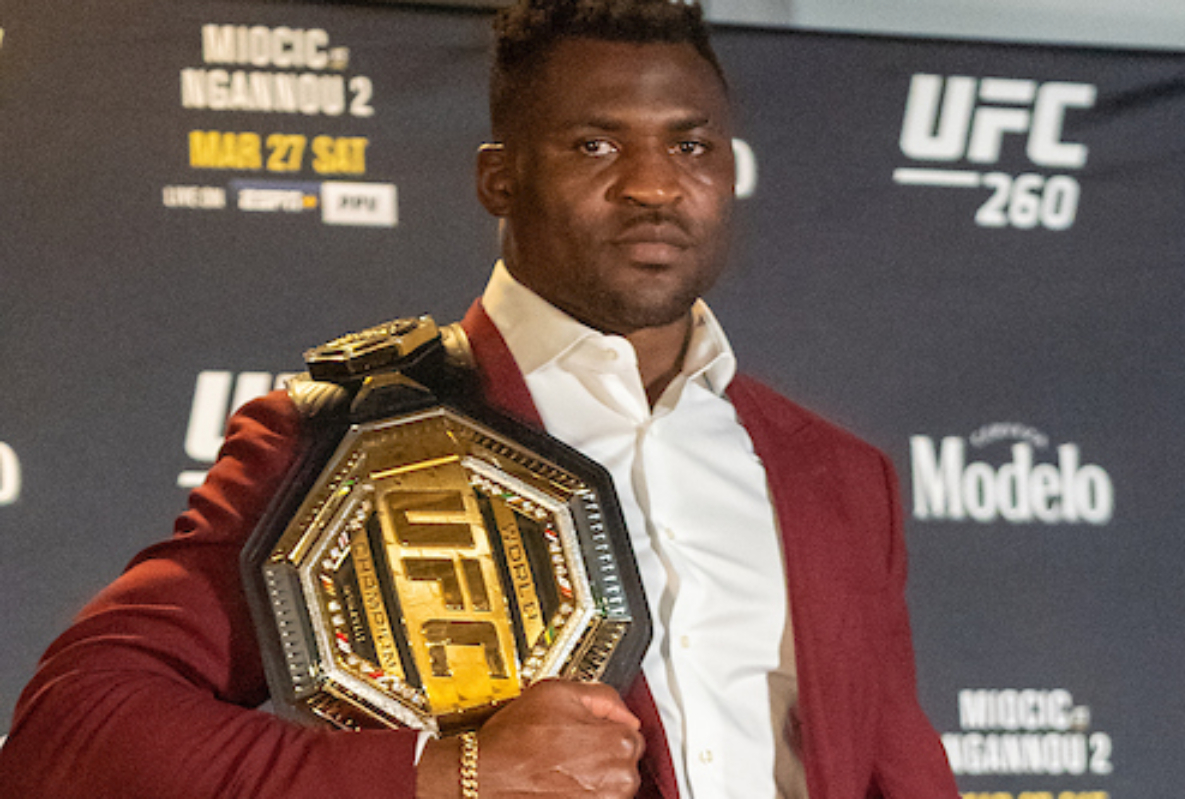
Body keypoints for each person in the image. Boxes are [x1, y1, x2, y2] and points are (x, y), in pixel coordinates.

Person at [0, 1, 958, 797]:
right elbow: (75, 726)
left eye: (691, 144)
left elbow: (896, 770)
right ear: (500, 178)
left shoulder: (837, 474)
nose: (654, 185)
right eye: (595, 144)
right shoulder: (352, 433)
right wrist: (441, 773)